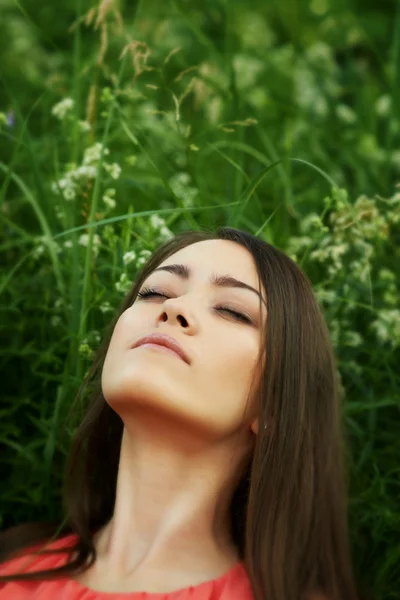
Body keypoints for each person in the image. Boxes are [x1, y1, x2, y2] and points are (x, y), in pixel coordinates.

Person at [0, 227, 360, 600]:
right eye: (155, 293)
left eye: (232, 311)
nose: (174, 308)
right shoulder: (12, 572)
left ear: (274, 405)